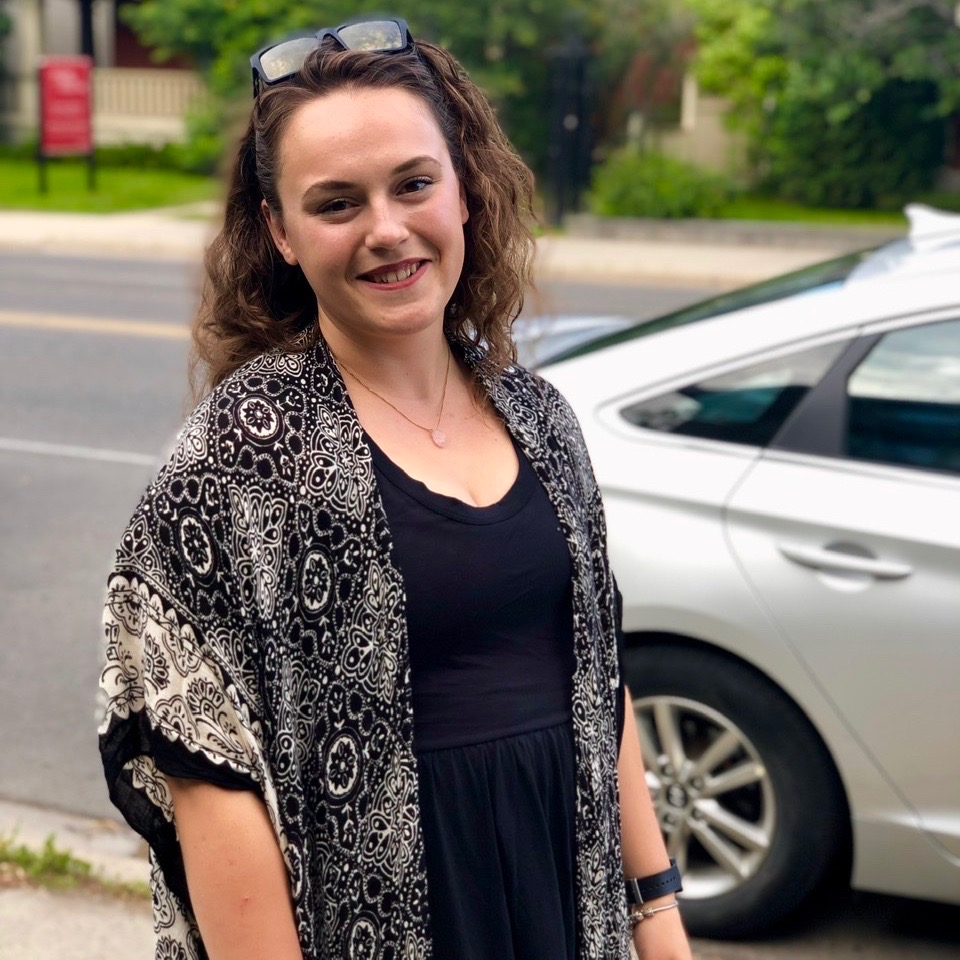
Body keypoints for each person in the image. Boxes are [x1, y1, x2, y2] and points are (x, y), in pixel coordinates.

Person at [99, 16, 693, 960]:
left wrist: (656, 912)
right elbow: (200, 758)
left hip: (563, 901)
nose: (387, 230)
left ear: (464, 192)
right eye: (336, 203)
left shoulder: (543, 421)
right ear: (280, 233)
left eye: (414, 183)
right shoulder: (239, 456)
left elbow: (596, 674)